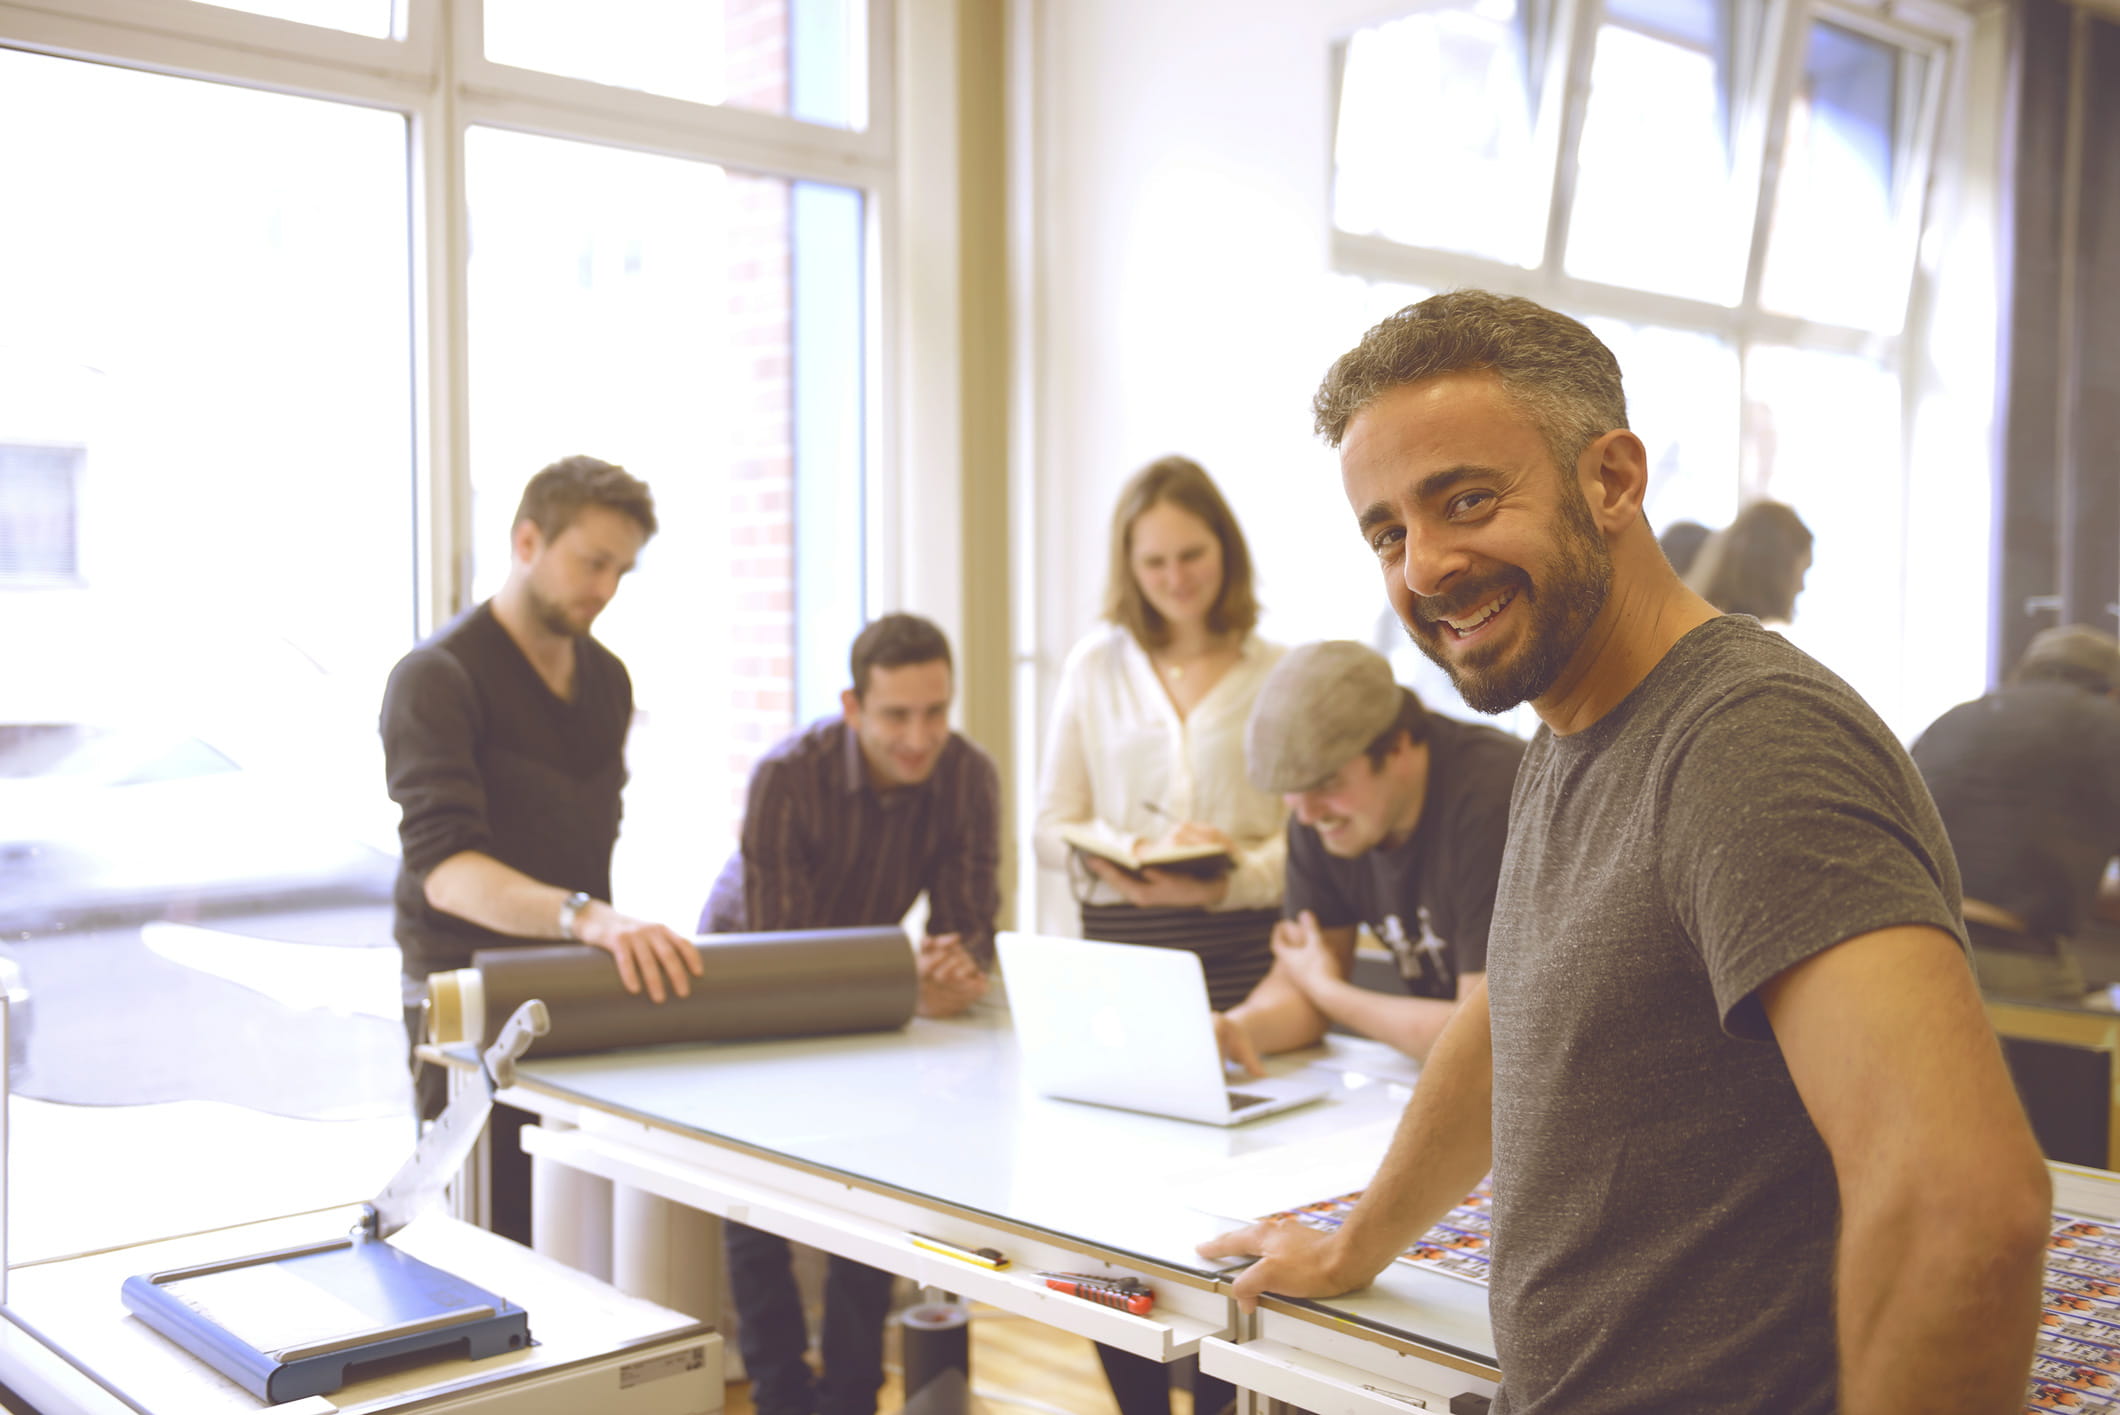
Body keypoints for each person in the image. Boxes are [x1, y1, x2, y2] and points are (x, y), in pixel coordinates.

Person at [1199, 290, 2050, 1414]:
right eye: (1388, 531)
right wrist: (1357, 1241)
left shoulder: (1748, 741)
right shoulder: (1572, 722)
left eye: (1464, 499)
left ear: (1610, 479)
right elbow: (1511, 1019)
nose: (1425, 565)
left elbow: (1962, 1202)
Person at [381, 454, 703, 1245]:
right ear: (527, 540)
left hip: (574, 982)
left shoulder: (608, 680)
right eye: (593, 561)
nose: (606, 588)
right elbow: (448, 874)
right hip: (466, 999)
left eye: (622, 569)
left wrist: (591, 934)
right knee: (499, 1231)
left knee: (591, 1228)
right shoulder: (435, 678)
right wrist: (590, 919)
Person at [700, 611, 998, 1415]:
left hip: (869, 991)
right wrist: (909, 977)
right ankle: (781, 1390)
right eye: (897, 715)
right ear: (852, 705)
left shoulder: (968, 776)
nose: (919, 736)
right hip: (747, 984)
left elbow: (970, 931)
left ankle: (854, 1391)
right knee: (753, 1192)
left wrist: (948, 967)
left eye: (935, 712)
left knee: (873, 1181)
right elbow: (784, 962)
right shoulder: (786, 775)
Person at [1033, 455, 1288, 1013]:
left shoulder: (1278, 674)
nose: (1176, 579)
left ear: (1225, 547)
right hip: (1119, 952)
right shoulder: (1094, 667)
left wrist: (1232, 877)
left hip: (1243, 949)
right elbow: (1049, 831)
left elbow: (1308, 841)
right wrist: (1133, 855)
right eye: (1155, 562)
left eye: (1192, 555)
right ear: (1129, 567)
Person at [1214, 639, 1522, 1073]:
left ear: (1396, 748)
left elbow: (1483, 1043)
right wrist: (1234, 1030)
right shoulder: (1320, 815)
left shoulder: (1493, 797)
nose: (1306, 814)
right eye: (1292, 792)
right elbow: (1300, 982)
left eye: (1326, 782)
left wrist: (1330, 992)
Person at [1911, 624, 2120, 1005]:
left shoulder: (1955, 720)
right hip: (2014, 957)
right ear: (2113, 691)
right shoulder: (2105, 726)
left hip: (1910, 944)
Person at [1684, 497, 1812, 622]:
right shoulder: (1735, 636)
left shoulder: (1705, 619)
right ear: (1777, 569)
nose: (1802, 587)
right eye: (1802, 571)